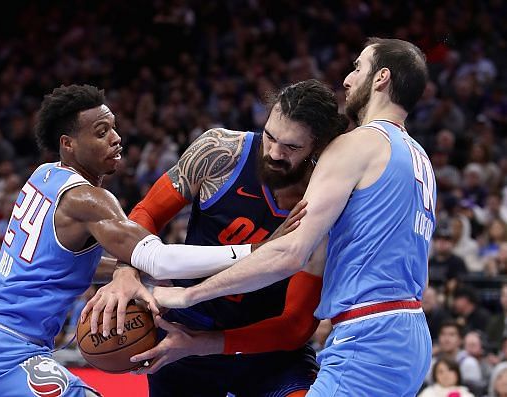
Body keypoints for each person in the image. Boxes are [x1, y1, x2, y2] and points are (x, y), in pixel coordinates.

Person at [0, 84, 275, 397]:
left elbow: (61, 263)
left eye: (114, 128)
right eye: (101, 132)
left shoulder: (43, 175)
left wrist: (135, 275)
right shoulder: (88, 199)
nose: (115, 138)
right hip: (2, 350)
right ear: (67, 144)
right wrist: (254, 252)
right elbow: (156, 256)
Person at [153, 37, 435, 395]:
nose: (347, 80)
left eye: (357, 67)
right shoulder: (417, 157)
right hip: (410, 334)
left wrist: (186, 297)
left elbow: (290, 253)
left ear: (380, 78)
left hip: (369, 335)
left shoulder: (358, 143)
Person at [128, 80, 348, 396]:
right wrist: (125, 272)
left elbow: (295, 326)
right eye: (271, 136)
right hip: (187, 328)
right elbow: (146, 213)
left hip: (267, 348)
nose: (274, 152)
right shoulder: (220, 153)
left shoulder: (326, 201)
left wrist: (205, 346)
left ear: (320, 146)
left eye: (291, 147)